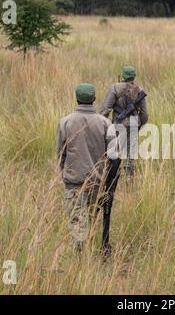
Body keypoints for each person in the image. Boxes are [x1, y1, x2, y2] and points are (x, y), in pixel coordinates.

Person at [56, 83, 116, 253]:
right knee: (92, 217)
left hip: (73, 181)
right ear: (94, 99)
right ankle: (89, 251)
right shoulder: (106, 123)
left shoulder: (65, 122)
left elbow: (60, 153)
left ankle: (80, 256)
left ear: (77, 99)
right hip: (97, 181)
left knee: (77, 221)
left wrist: (64, 173)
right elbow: (113, 155)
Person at [98, 66, 148, 177]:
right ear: (133, 76)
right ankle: (129, 180)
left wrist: (102, 124)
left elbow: (106, 109)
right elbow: (144, 114)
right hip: (134, 124)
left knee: (114, 153)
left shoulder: (115, 88)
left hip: (118, 124)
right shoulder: (139, 90)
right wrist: (140, 125)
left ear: (123, 76)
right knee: (130, 155)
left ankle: (111, 178)